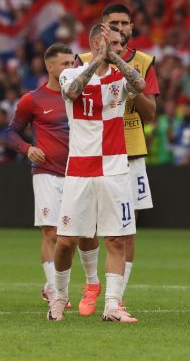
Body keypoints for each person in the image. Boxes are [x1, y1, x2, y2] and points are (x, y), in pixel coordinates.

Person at [46, 24, 145, 322]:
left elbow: (139, 86)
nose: (117, 47)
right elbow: (72, 92)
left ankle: (112, 305)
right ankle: (60, 297)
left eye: (120, 43)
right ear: (95, 43)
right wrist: (94, 62)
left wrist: (115, 60)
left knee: (116, 239)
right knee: (66, 240)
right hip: (79, 170)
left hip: (115, 169)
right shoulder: (71, 73)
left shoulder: (120, 74)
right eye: (111, 43)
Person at [76, 3, 160, 314]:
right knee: (87, 225)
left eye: (125, 23)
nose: (121, 28)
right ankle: (91, 281)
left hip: (130, 150)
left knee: (127, 227)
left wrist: (130, 82)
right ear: (102, 27)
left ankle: (117, 296)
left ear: (132, 27)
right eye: (114, 23)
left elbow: (150, 114)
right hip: (92, 151)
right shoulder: (83, 61)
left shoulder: (143, 62)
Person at [6, 44, 100, 310]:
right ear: (50, 67)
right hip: (47, 173)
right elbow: (11, 133)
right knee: (51, 233)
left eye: (73, 63)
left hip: (81, 172)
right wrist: (28, 148)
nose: (71, 68)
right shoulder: (32, 99)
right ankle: (57, 291)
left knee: (87, 233)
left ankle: (82, 284)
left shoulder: (81, 94)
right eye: (65, 64)